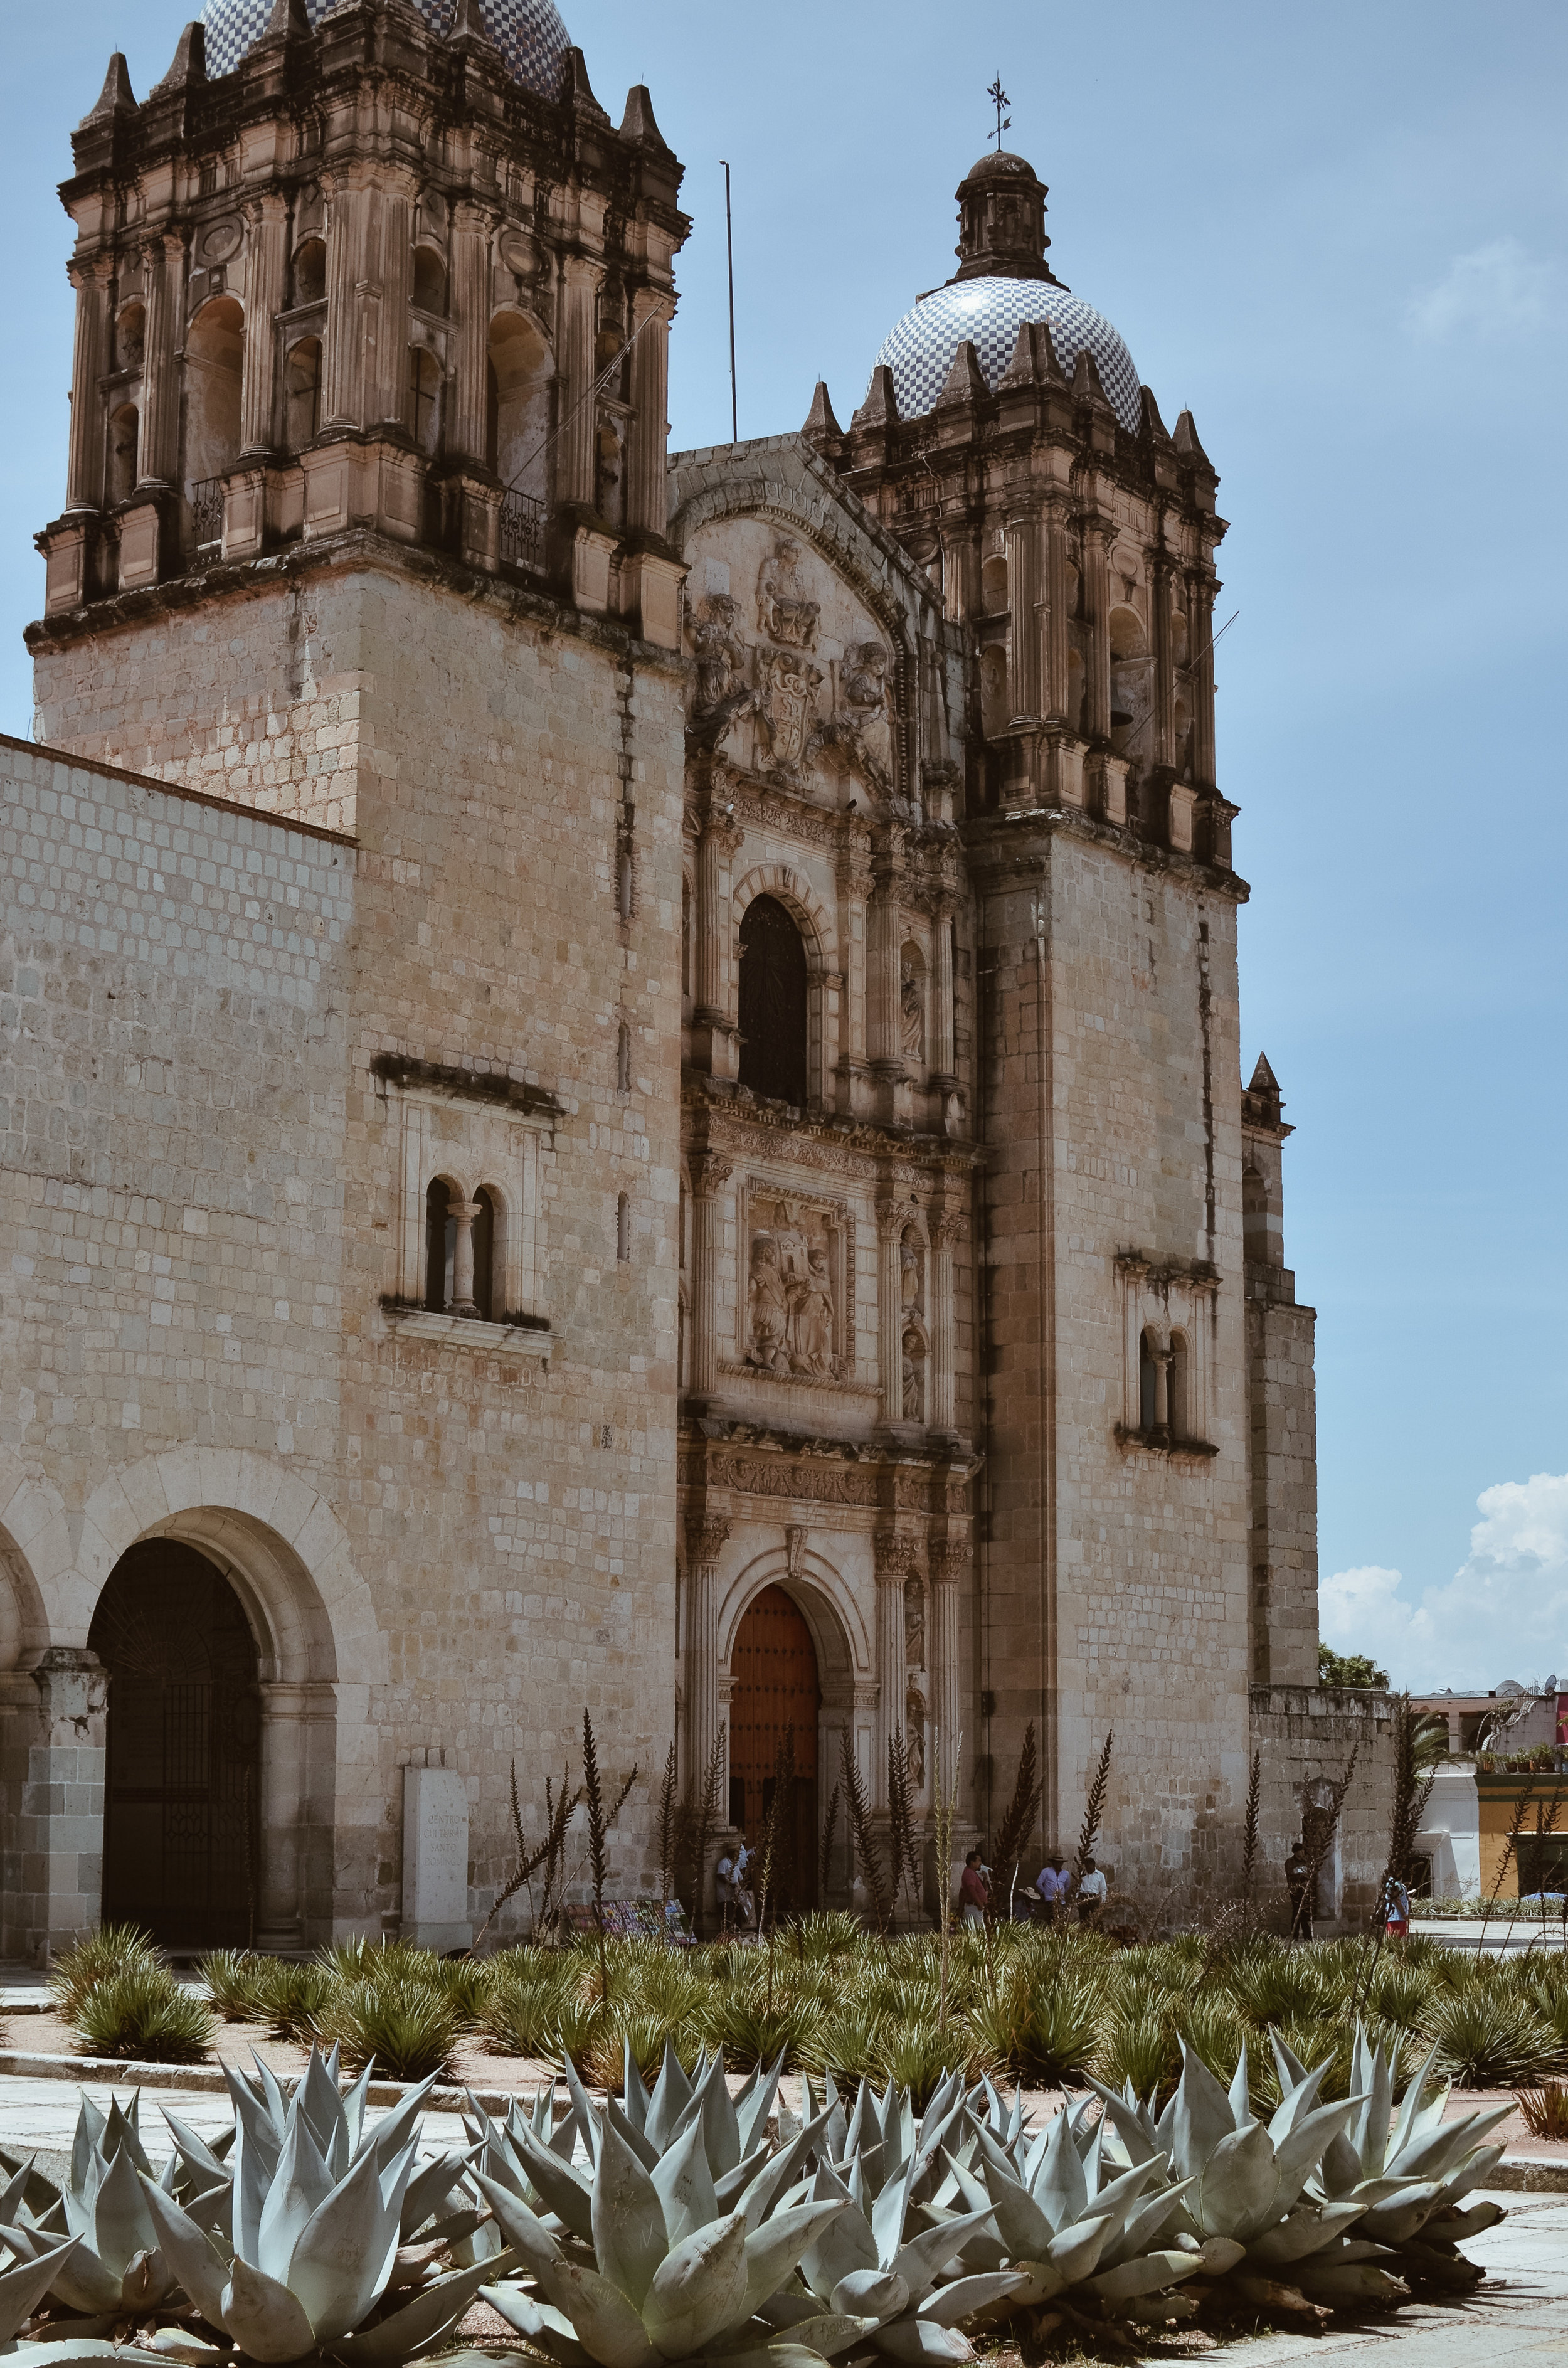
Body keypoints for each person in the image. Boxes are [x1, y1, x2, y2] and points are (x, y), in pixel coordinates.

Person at [716, 1835, 756, 1931]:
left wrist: (742, 1888)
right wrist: (731, 1884)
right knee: (728, 1917)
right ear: (731, 1853)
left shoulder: (736, 1865)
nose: (738, 1856)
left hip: (735, 1896)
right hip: (725, 1897)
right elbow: (720, 1875)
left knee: (737, 1918)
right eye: (736, 1853)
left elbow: (740, 1879)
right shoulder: (724, 1862)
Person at [1286, 1837, 1313, 1942]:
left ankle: (1296, 1935)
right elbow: (1291, 1874)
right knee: (1298, 1911)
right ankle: (1306, 1935)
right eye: (1300, 1851)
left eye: (1303, 1850)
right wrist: (1300, 1874)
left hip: (1305, 1889)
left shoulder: (1306, 1861)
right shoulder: (1290, 1862)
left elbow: (1309, 1873)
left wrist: (1300, 1874)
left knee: (1302, 1912)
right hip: (1295, 1889)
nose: (1302, 1852)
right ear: (1296, 1852)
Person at [959, 1847, 990, 1929]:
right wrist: (980, 1904)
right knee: (976, 1932)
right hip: (974, 1908)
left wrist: (985, 1879)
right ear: (972, 1862)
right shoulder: (969, 1873)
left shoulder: (973, 1873)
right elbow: (971, 1890)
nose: (980, 1863)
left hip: (977, 1908)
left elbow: (981, 1890)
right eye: (979, 1861)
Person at [1036, 1852, 1069, 1923]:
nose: (1058, 1864)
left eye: (1060, 1863)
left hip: (1062, 1900)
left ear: (1062, 1863)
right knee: (1051, 1918)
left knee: (1061, 1918)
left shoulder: (1066, 1873)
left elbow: (1067, 1886)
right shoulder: (1046, 1871)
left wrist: (1061, 1893)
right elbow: (1039, 1883)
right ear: (1053, 1863)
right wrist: (1044, 1892)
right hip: (1050, 1899)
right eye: (1056, 1862)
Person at [1076, 1855, 1108, 1926]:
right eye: (1086, 1867)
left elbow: (1103, 1889)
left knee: (1097, 1919)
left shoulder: (1100, 1875)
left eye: (1089, 1867)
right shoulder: (1083, 1874)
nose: (1087, 1869)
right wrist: (1077, 1898)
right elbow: (1078, 1886)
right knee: (1083, 1919)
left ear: (1094, 1865)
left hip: (1094, 1898)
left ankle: (1099, 1935)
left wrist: (1103, 1902)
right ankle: (1085, 1935)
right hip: (1083, 1896)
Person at [1382, 1872, 1411, 1942]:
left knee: (1398, 1939)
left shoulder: (1397, 1883)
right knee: (1395, 1940)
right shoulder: (1393, 1884)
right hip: (1397, 1917)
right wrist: (1404, 1913)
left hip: (1398, 1917)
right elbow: (1397, 1900)